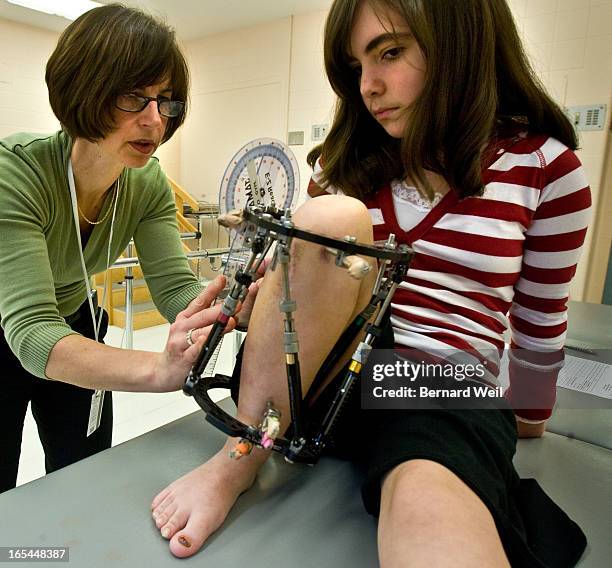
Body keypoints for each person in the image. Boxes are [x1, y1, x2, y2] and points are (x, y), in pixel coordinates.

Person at [151, 0, 591, 565]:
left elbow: (540, 316)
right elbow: (301, 292)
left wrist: (529, 417)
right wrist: (271, 295)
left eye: (390, 52)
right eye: (357, 67)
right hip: (322, 381)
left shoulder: (546, 168)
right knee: (332, 222)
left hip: (432, 387)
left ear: (462, 42)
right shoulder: (340, 166)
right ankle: (239, 456)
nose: (369, 86)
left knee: (430, 508)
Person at [0, 4, 235, 494]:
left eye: (165, 101)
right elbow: (31, 331)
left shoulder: (145, 181)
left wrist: (240, 306)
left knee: (84, 468)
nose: (155, 120)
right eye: (134, 97)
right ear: (84, 90)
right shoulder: (15, 172)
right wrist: (157, 369)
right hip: (7, 328)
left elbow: (174, 290)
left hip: (77, 319)